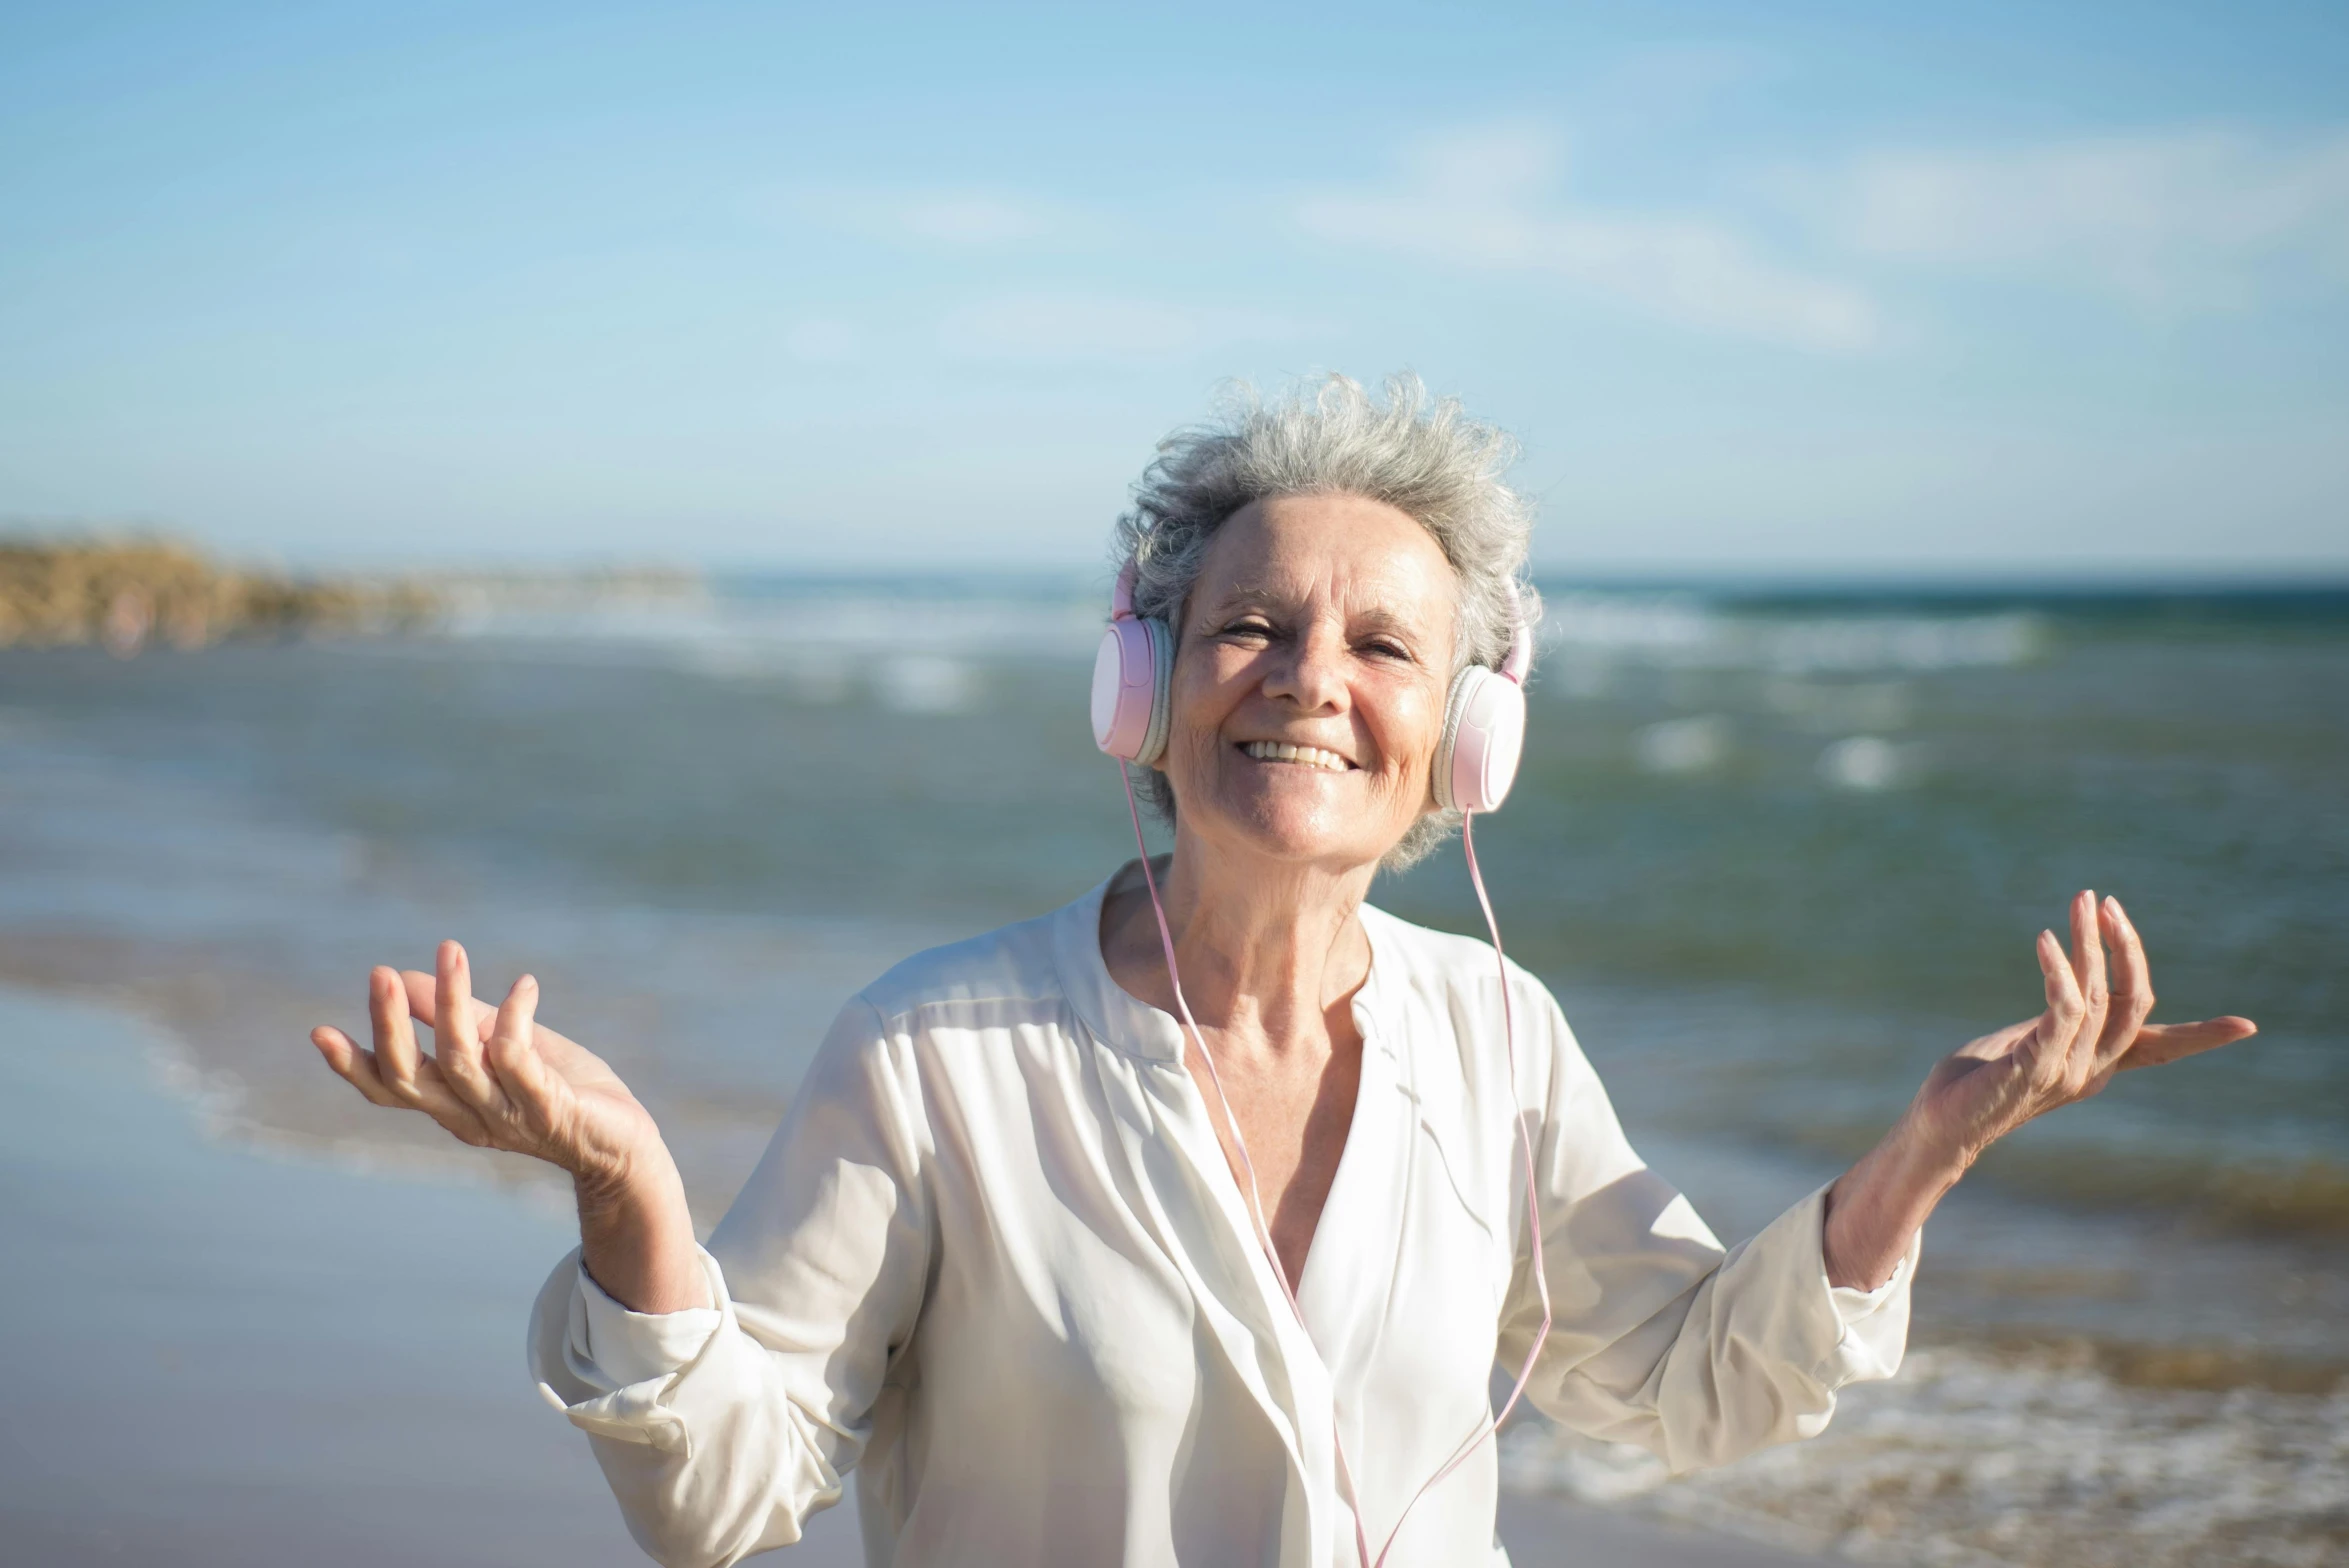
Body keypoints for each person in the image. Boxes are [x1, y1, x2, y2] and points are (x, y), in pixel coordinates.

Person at [309, 375, 2257, 1568]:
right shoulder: (929, 1054)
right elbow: (723, 1496)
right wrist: (630, 1199)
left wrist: (1916, 1158)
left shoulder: (1496, 1035)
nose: (1313, 676)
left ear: (1460, 733)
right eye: (1250, 624)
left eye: (1384, 645)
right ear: (1144, 690)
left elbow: (1681, 1394)